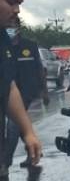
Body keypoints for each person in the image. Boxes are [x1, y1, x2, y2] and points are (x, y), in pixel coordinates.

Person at [0, 0, 42, 181]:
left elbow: (7, 84)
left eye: (19, 3)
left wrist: (28, 132)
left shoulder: (3, 40)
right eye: (11, 2)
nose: (17, 10)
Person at [5, 18, 49, 168]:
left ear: (18, 27)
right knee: (21, 125)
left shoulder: (29, 46)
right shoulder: (4, 46)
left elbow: (40, 69)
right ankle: (33, 151)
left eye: (13, 26)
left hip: (26, 92)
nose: (10, 29)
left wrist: (45, 91)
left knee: (13, 125)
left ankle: (5, 162)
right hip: (8, 91)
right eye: (7, 26)